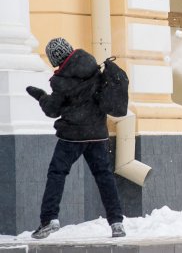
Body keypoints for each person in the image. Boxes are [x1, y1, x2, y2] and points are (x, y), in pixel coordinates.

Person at [26, 37, 126, 239]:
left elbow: (52, 110)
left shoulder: (61, 80)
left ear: (55, 59)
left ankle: (49, 219)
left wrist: (41, 96)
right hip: (97, 134)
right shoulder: (92, 67)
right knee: (104, 177)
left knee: (57, 173)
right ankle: (116, 223)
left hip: (72, 136)